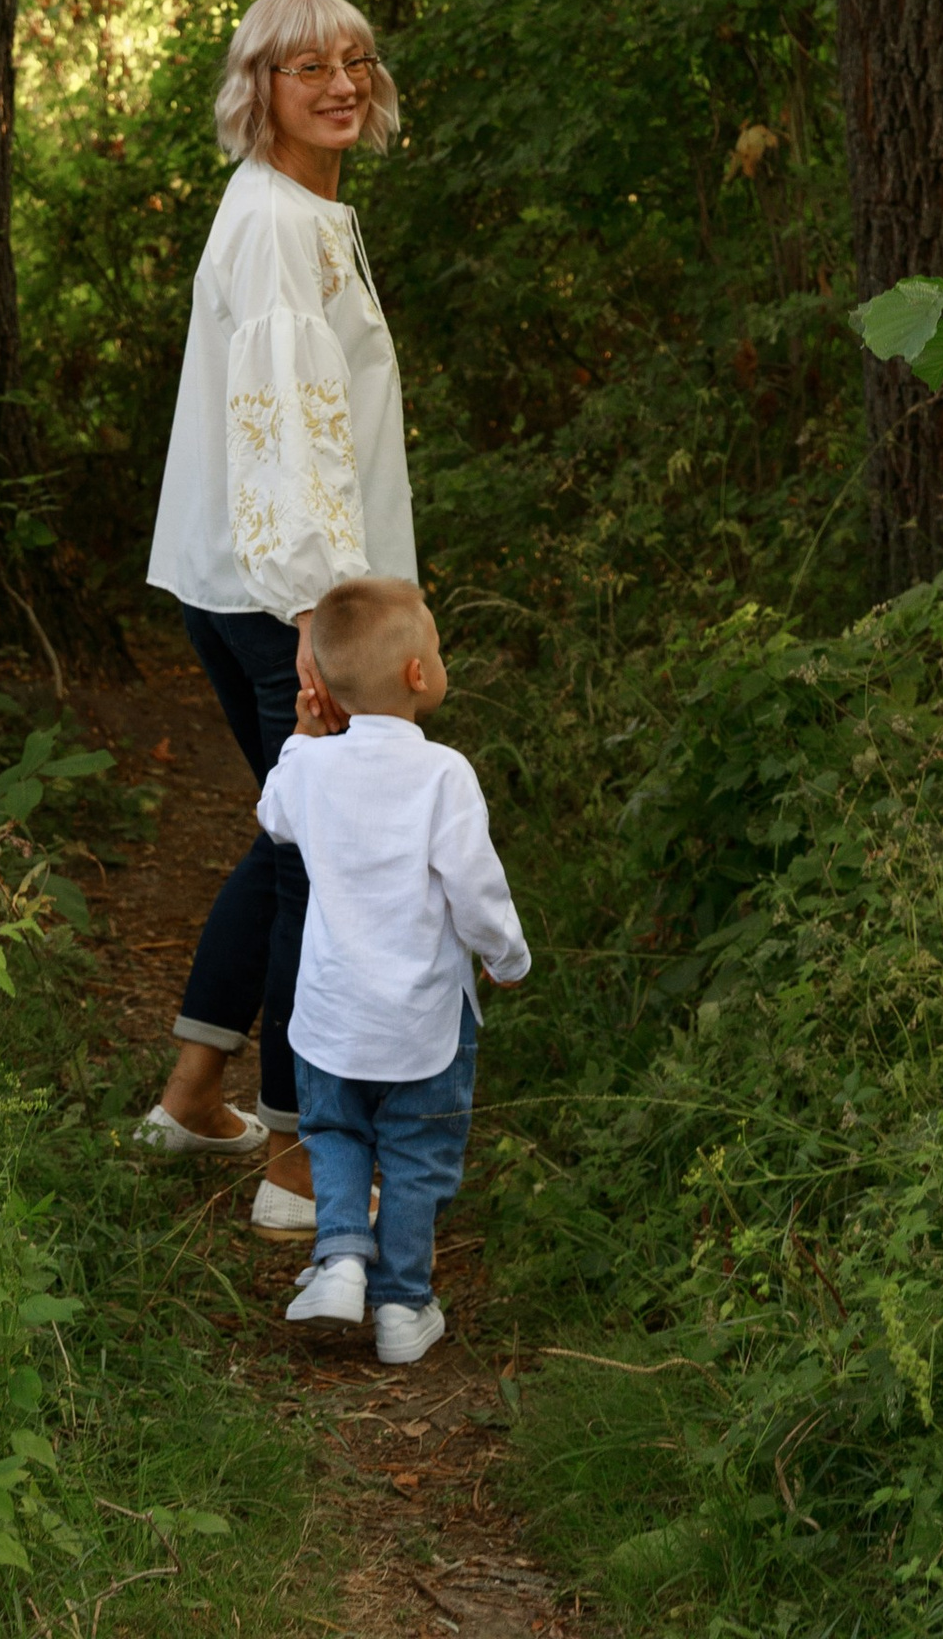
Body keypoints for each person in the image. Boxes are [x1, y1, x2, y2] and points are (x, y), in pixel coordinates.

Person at [136, 0, 413, 1235]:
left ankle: (196, 1095)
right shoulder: (272, 225)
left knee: (293, 837)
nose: (341, 83)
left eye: (354, 61)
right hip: (283, 598)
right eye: (309, 68)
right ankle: (301, 1164)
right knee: (331, 864)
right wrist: (320, 619)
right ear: (260, 91)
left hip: (266, 587)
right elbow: (285, 439)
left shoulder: (306, 210)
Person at [258, 574, 529, 1364]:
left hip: (332, 1017)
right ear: (418, 675)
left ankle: (340, 1256)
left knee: (336, 1131)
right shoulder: (445, 775)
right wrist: (507, 957)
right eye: (436, 649)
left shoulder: (311, 770)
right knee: (416, 1156)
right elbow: (476, 889)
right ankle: (404, 1308)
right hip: (425, 1024)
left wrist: (304, 737)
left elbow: (272, 813)